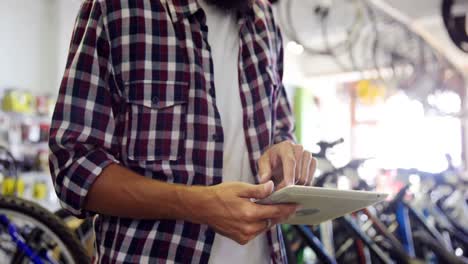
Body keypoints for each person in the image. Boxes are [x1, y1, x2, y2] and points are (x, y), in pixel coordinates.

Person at [49, 0, 316, 263]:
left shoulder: (265, 20)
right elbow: (73, 168)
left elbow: (280, 129)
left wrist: (285, 155)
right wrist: (196, 204)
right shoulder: (117, 9)